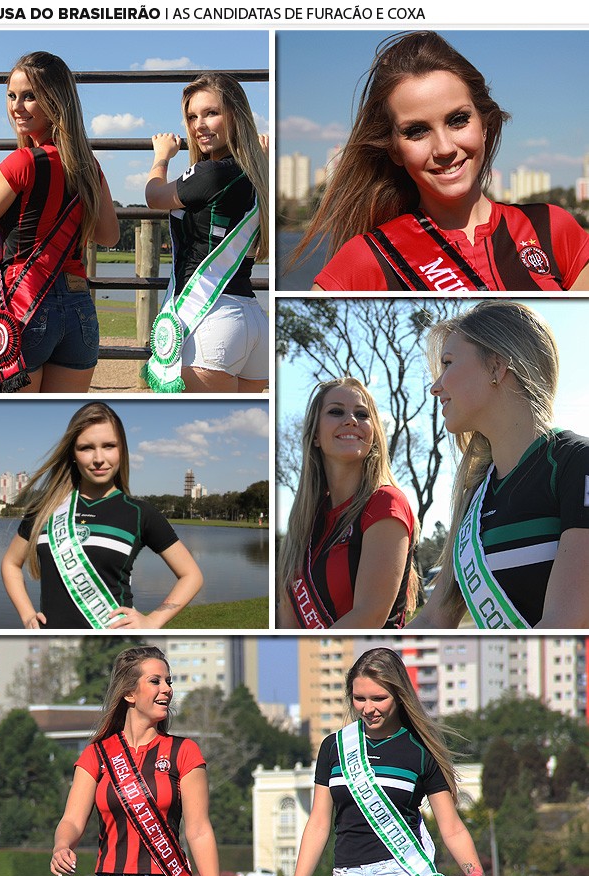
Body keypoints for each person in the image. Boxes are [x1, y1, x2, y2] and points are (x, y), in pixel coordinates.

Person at [293, 32, 589, 292]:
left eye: (458, 120)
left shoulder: (552, 228)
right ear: (394, 150)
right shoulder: (367, 258)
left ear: (484, 125)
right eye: (417, 131)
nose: (444, 148)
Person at [283, 648, 503, 876]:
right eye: (359, 698)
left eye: (378, 698)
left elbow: (452, 828)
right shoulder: (334, 747)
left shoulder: (420, 750)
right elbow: (318, 822)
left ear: (399, 696)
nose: (367, 708)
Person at [51, 645, 231, 876]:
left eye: (169, 681)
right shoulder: (97, 754)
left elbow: (199, 830)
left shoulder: (184, 751)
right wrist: (63, 845)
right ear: (130, 694)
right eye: (156, 681)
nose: (167, 689)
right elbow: (72, 820)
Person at [410, 300, 589, 629]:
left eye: (448, 363)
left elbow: (567, 623)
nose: (436, 387)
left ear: (496, 366)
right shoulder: (476, 496)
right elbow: (435, 618)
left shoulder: (577, 463)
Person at [0, 51, 119, 393]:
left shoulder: (22, 162)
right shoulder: (89, 167)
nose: (16, 106)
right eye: (11, 96)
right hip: (80, 310)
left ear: (55, 101)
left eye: (29, 96)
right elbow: (109, 236)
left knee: (16, 428)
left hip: (27, 307)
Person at [1, 402, 203, 629]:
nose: (98, 458)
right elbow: (10, 563)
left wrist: (153, 620)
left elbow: (191, 575)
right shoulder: (44, 509)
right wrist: (27, 614)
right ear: (73, 454)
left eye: (109, 446)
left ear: (122, 450)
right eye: (86, 448)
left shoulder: (140, 513)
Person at [144, 71, 269, 394]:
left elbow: (154, 196)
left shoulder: (209, 173)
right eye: (192, 116)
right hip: (253, 319)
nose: (199, 124)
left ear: (235, 116)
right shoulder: (258, 171)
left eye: (211, 113)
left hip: (211, 322)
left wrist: (161, 157)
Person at [277, 377, 418, 629]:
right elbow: (287, 622)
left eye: (362, 414)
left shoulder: (385, 504)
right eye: (336, 411)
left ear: (373, 433)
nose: (351, 419)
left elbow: (369, 616)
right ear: (316, 435)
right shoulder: (305, 522)